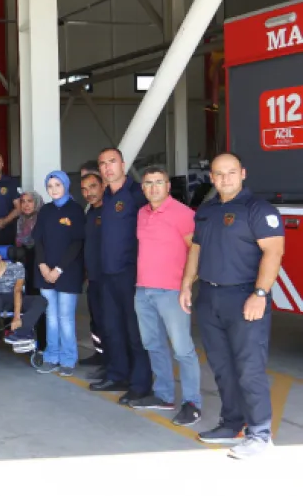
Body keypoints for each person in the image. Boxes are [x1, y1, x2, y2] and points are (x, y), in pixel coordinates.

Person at [181, 153, 284, 459]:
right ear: (211, 178)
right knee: (223, 367)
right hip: (210, 297)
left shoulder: (258, 209)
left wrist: (261, 294)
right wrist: (188, 283)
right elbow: (196, 249)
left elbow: (273, 253)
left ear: (242, 173)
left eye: (230, 173)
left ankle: (260, 433)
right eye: (218, 174)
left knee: (249, 368)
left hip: (245, 298)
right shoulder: (208, 210)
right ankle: (232, 423)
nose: (224, 179)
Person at [130, 166, 201, 426]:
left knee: (183, 350)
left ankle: (192, 403)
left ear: (168, 186)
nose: (153, 187)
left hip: (172, 291)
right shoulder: (141, 213)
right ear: (143, 188)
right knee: (153, 345)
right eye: (148, 183)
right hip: (143, 290)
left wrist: (186, 285)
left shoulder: (183, 214)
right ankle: (163, 395)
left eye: (159, 182)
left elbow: (196, 251)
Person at [90, 148, 152, 405]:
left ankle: (140, 384)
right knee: (112, 328)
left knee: (135, 332)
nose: (107, 167)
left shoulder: (137, 194)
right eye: (102, 163)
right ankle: (118, 375)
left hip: (131, 274)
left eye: (112, 162)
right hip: (107, 274)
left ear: (123, 165)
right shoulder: (105, 197)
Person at [31, 171, 85, 377]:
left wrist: (59, 269)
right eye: (50, 186)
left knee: (65, 317)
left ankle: (68, 358)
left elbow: (77, 242)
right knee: (51, 316)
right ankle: (51, 356)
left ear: (66, 186)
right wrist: (43, 266)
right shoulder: (45, 211)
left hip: (68, 272)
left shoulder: (75, 210)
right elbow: (39, 241)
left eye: (58, 185)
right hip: (45, 273)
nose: (53, 189)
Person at [81, 173, 108, 376]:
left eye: (92, 187)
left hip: (109, 277)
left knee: (110, 321)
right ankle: (100, 354)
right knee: (96, 319)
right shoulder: (90, 212)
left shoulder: (110, 211)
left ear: (102, 186)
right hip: (94, 278)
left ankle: (112, 361)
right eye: (84, 189)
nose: (88, 193)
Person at [16, 189, 47, 351]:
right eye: (23, 202)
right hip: (27, 269)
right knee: (30, 304)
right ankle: (30, 341)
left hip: (41, 267)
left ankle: (43, 344)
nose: (26, 205)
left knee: (42, 304)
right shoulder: (21, 221)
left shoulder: (43, 219)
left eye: (30, 201)